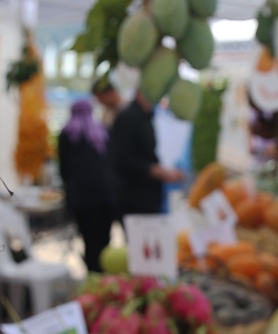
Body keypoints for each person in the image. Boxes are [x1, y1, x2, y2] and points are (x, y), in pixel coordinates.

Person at [58, 99, 119, 273]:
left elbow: (64, 168)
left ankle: (93, 276)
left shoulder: (67, 134)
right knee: (104, 239)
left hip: (82, 199)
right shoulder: (103, 132)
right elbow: (113, 163)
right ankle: (105, 274)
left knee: (89, 240)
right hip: (106, 197)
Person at [107, 89, 184, 219]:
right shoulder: (127, 117)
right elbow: (124, 160)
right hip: (134, 199)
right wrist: (157, 171)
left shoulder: (146, 115)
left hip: (148, 196)